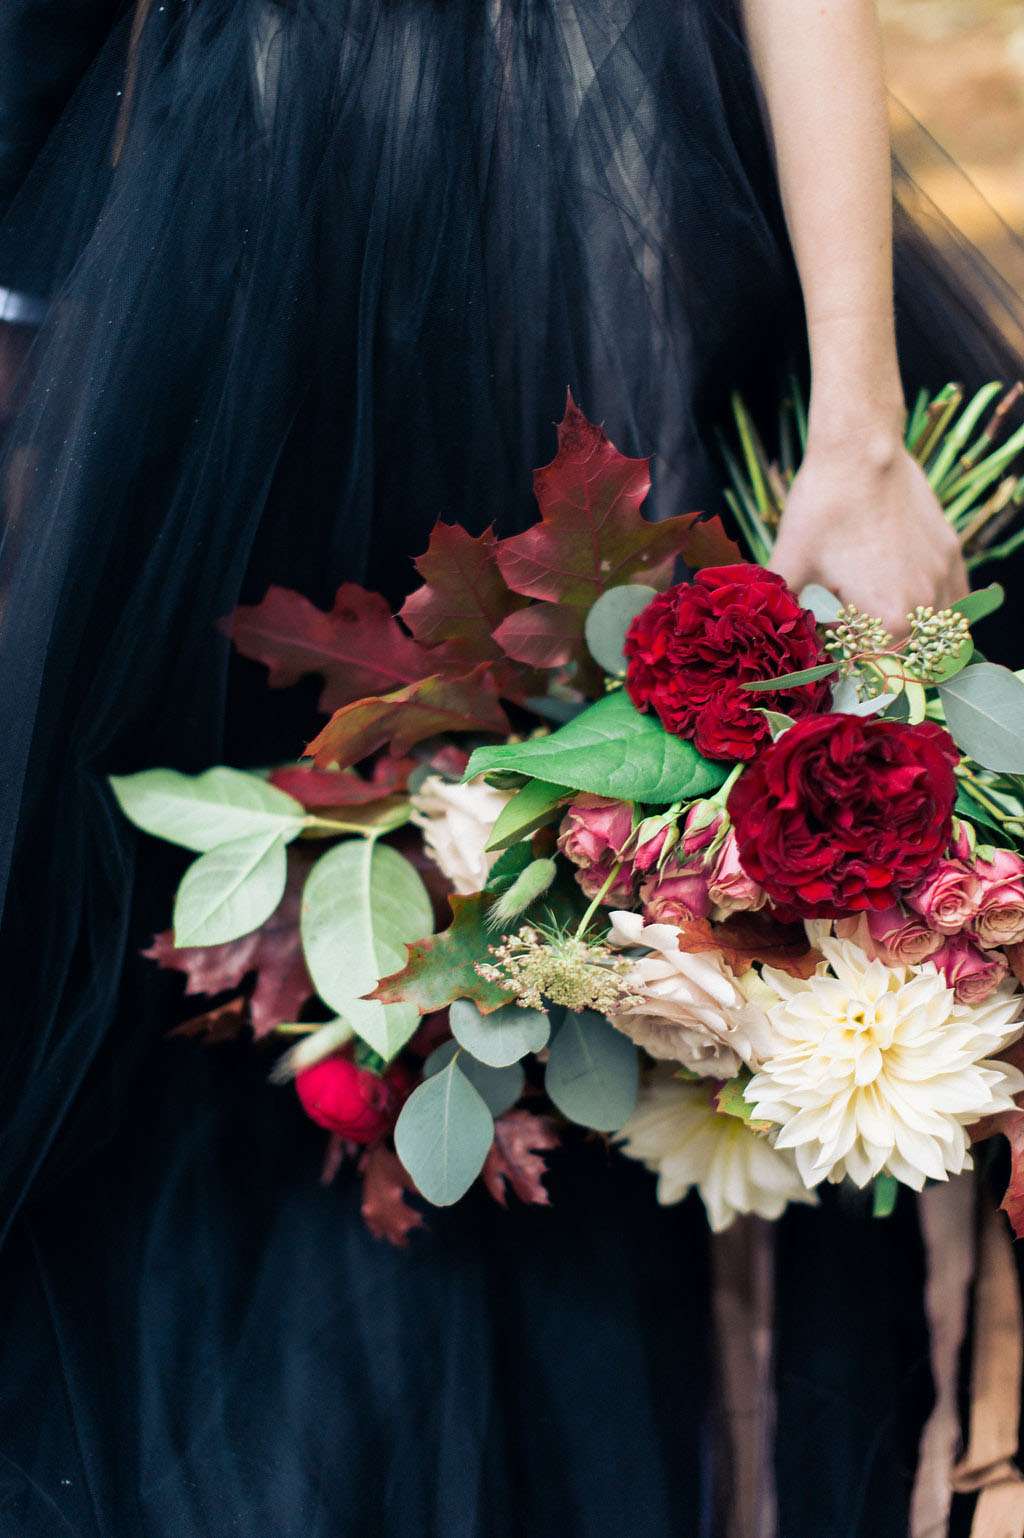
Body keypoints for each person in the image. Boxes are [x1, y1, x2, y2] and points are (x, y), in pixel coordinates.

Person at [0, 3, 1021, 1535]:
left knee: (627, 927)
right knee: (250, 980)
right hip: (258, 209)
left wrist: (861, 433)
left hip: (616, 194)